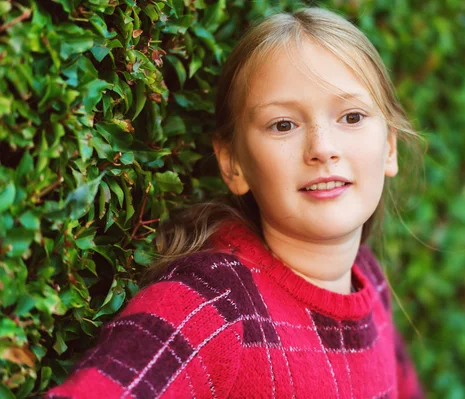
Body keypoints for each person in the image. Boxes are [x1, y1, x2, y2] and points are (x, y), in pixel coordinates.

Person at [47, 6, 424, 399]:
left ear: (390, 146)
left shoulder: (369, 279)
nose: (323, 148)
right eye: (283, 125)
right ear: (234, 164)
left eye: (351, 117)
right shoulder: (210, 307)